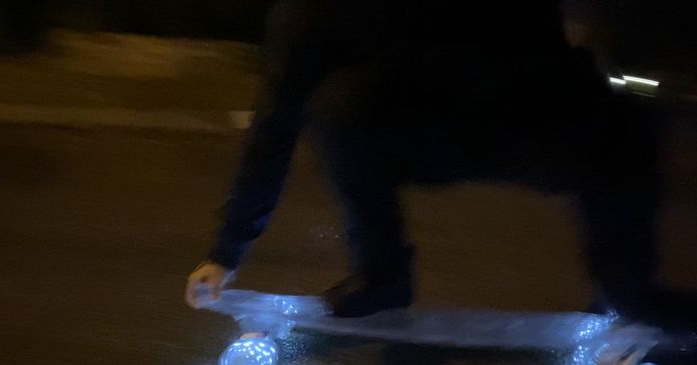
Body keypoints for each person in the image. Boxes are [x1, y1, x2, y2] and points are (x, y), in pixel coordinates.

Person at [185, 0, 671, 326]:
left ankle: (627, 293)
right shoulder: (312, 13)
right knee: (338, 106)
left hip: (526, 116)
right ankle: (383, 275)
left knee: (622, 127)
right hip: (436, 131)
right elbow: (275, 122)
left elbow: (586, 94)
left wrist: (624, 281)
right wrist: (226, 252)